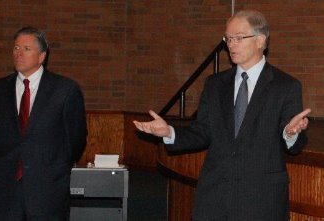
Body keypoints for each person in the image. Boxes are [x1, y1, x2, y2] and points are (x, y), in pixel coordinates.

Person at [133, 10, 311, 221]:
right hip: (214, 198)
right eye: (228, 38)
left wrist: (290, 133)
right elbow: (203, 132)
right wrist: (169, 132)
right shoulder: (215, 85)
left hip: (261, 200)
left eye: (238, 38)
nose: (231, 44)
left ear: (260, 40)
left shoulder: (285, 86)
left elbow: (295, 142)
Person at [0, 27, 87, 221]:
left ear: (42, 56)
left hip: (48, 190)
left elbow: (75, 139)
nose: (18, 53)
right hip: (7, 190)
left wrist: (53, 167)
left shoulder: (65, 90)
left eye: (26, 48)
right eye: (16, 47)